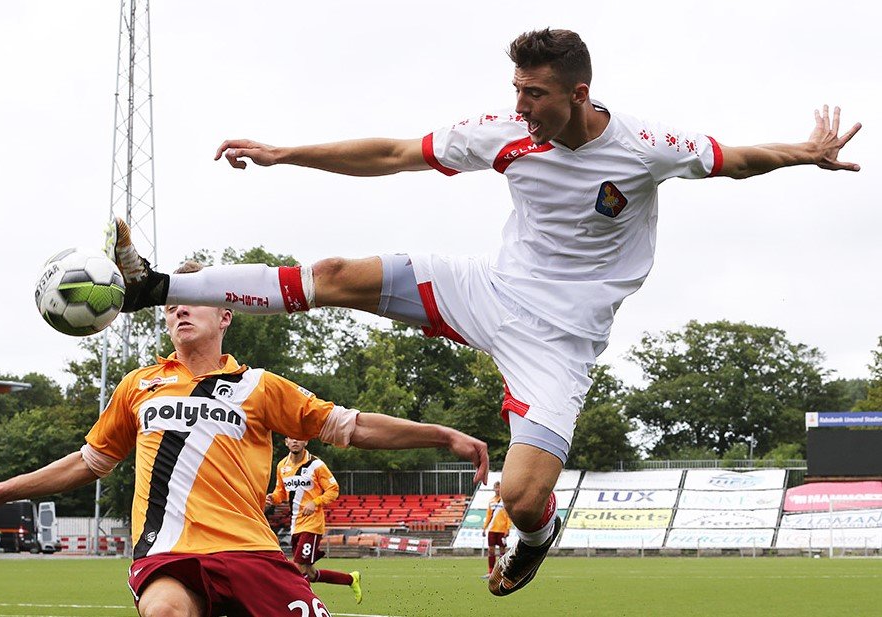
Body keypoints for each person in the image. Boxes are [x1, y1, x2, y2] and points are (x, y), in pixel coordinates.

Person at [109, 28, 862, 596]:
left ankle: (538, 532)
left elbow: (736, 158)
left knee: (522, 496)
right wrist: (284, 154)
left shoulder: (646, 146)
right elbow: (395, 152)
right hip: (489, 288)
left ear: (579, 91)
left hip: (560, 343)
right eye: (517, 90)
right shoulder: (506, 136)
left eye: (534, 93)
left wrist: (806, 150)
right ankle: (157, 282)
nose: (520, 105)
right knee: (336, 274)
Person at [0, 260, 488, 617]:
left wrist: (442, 435)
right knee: (165, 610)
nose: (179, 309)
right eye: (170, 306)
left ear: (226, 314)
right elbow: (88, 462)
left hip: (252, 554)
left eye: (192, 299)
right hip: (167, 553)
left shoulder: (260, 387)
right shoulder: (138, 386)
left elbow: (354, 426)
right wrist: (4, 490)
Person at [266, 437, 362, 603]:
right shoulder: (282, 466)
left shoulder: (316, 465)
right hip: (295, 525)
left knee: (297, 567)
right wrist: (271, 499)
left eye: (299, 438)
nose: (295, 441)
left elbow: (333, 490)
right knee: (309, 573)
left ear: (306, 442)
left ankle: (306, 605)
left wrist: (315, 502)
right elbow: (280, 493)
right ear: (286, 442)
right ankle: (350, 579)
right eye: (292, 438)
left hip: (312, 525)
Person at [482, 481, 511, 578]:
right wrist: (484, 528)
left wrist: (508, 529)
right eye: (496, 487)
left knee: (502, 551)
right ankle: (491, 572)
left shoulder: (505, 501)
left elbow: (508, 516)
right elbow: (488, 515)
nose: (497, 490)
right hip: (492, 529)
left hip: (502, 530)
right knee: (491, 550)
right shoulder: (491, 501)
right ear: (494, 489)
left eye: (499, 488)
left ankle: (502, 572)